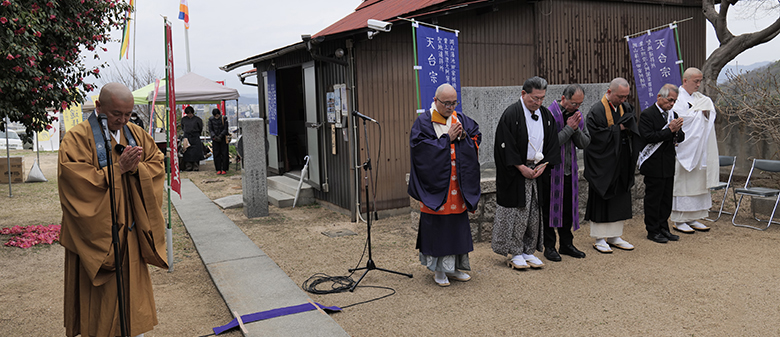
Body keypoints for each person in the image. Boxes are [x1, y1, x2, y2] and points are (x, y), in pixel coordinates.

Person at [58, 82, 167, 337]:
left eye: (128, 114)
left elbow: (157, 165)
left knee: (132, 302)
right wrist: (118, 170)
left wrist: (136, 169)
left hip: (130, 232)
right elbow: (75, 183)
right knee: (100, 306)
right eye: (117, 114)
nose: (123, 119)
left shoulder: (136, 134)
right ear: (99, 106)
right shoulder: (77, 137)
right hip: (98, 237)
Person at [409, 83, 481, 287]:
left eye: (453, 103)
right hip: (436, 185)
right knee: (438, 226)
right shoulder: (424, 121)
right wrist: (446, 139)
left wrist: (464, 136)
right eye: (446, 103)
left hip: (457, 184)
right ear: (435, 101)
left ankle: (456, 267)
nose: (450, 107)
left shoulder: (461, 119)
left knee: (457, 224)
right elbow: (419, 150)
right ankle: (439, 270)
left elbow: (476, 135)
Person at [493, 76, 560, 270]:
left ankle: (528, 250)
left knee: (534, 213)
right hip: (516, 173)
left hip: (538, 171)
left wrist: (544, 165)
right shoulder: (511, 114)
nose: (538, 103)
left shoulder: (546, 115)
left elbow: (552, 145)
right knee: (517, 213)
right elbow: (504, 146)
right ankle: (515, 251)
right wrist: (520, 167)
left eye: (542, 98)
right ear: (523, 94)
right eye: (534, 98)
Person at [584, 77, 640, 254]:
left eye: (625, 97)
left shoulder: (626, 107)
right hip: (603, 163)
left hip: (622, 159)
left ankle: (615, 236)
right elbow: (595, 138)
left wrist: (627, 128)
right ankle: (600, 238)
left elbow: (632, 126)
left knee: (620, 196)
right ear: (609, 92)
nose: (623, 100)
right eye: (620, 97)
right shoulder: (597, 111)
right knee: (603, 197)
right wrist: (618, 129)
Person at [541, 84, 590, 262]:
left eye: (579, 104)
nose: (576, 107)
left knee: (568, 210)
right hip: (551, 172)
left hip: (569, 172)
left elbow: (585, 143)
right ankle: (549, 246)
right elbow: (550, 145)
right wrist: (569, 128)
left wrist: (575, 129)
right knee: (549, 211)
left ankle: (566, 244)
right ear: (563, 99)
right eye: (573, 103)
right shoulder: (549, 114)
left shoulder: (577, 116)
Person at [671, 67, 718, 233]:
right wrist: (697, 113)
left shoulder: (701, 98)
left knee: (698, 183)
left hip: (700, 148)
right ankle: (680, 218)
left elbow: (709, 116)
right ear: (685, 81)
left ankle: (694, 217)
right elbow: (680, 119)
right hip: (685, 147)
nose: (698, 84)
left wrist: (703, 113)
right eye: (695, 81)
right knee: (682, 184)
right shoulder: (676, 98)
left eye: (700, 81)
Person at [638, 84, 685, 243]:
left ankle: (664, 228)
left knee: (666, 199)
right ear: (659, 97)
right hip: (653, 164)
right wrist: (669, 130)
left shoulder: (673, 114)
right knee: (653, 199)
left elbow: (681, 137)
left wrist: (677, 132)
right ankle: (652, 230)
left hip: (668, 163)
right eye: (669, 100)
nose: (671, 104)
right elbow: (649, 137)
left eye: (674, 101)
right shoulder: (647, 115)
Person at [180, 106, 203, 171]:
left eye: (190, 113)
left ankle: (196, 166)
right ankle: (188, 166)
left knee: (196, 152)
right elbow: (182, 127)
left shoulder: (197, 119)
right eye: (188, 114)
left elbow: (200, 128)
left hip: (195, 136)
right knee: (187, 151)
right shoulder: (184, 119)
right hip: (187, 136)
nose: (189, 115)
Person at [208, 108, 230, 175]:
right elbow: (210, 129)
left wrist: (220, 136)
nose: (216, 117)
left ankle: (224, 169)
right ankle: (218, 169)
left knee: (224, 154)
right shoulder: (210, 120)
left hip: (223, 138)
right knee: (216, 154)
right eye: (215, 116)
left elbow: (225, 129)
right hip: (215, 139)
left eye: (217, 115)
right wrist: (214, 136)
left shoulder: (224, 118)